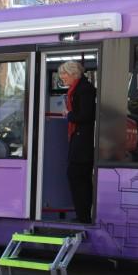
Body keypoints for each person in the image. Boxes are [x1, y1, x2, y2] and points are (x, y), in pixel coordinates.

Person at [59, 60, 96, 223]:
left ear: (73, 73)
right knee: (79, 177)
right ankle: (83, 214)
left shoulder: (84, 90)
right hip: (80, 139)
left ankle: (83, 216)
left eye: (64, 74)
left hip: (83, 142)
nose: (62, 78)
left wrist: (69, 115)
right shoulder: (78, 89)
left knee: (77, 176)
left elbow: (87, 115)